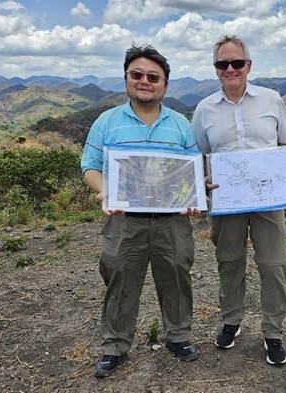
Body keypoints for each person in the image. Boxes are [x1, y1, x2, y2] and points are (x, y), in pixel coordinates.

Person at [81, 44, 200, 378]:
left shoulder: (180, 125)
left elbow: (190, 173)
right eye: (138, 75)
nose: (145, 81)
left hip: (172, 221)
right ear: (126, 79)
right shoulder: (107, 122)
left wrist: (191, 196)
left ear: (165, 84)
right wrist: (104, 190)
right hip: (123, 220)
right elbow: (90, 166)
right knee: (120, 278)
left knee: (177, 275)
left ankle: (178, 336)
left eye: (153, 77)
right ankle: (114, 346)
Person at [191, 35, 286, 366]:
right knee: (229, 262)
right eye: (222, 64)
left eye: (236, 62)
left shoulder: (271, 100)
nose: (230, 69)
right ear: (215, 69)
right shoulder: (204, 110)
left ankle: (273, 332)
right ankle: (231, 321)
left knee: (273, 265)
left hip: (269, 200)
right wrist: (203, 180)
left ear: (248, 65)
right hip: (227, 202)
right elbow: (197, 155)